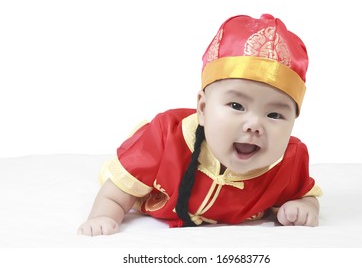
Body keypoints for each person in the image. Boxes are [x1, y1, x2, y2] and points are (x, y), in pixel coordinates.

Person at [78, 13, 322, 236]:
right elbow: (116, 195)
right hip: (153, 191)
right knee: (120, 180)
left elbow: (305, 195)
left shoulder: (289, 160)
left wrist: (303, 206)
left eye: (275, 115)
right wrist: (102, 217)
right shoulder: (166, 139)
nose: (254, 125)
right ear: (203, 109)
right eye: (237, 106)